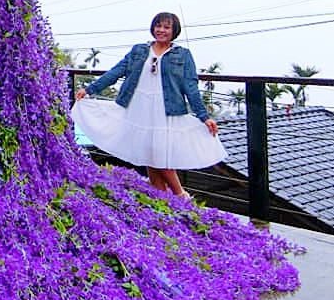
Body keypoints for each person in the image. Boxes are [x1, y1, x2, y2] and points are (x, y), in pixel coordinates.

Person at [71, 11, 226, 199]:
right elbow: (117, 71)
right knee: (149, 154)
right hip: (139, 107)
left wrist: (204, 116)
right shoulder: (139, 50)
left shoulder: (183, 55)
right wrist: (90, 89)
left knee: (161, 154)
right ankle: (162, 199)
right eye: (158, 26)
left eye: (166, 27)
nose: (161, 30)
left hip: (166, 110)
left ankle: (181, 196)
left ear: (174, 31)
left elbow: (190, 86)